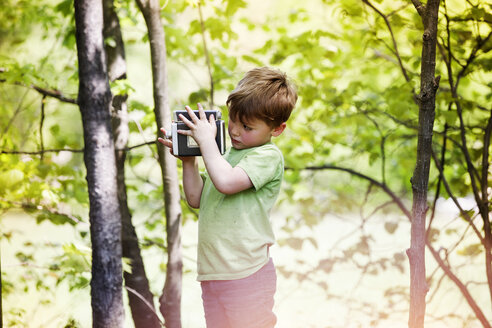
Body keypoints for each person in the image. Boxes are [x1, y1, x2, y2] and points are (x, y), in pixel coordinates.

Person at [158, 67, 297, 328]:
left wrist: (207, 144)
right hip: (214, 274)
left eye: (247, 127)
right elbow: (197, 199)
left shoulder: (266, 156)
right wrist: (189, 161)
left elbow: (226, 182)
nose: (234, 131)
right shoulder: (227, 154)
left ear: (277, 129)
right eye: (233, 120)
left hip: (246, 275)